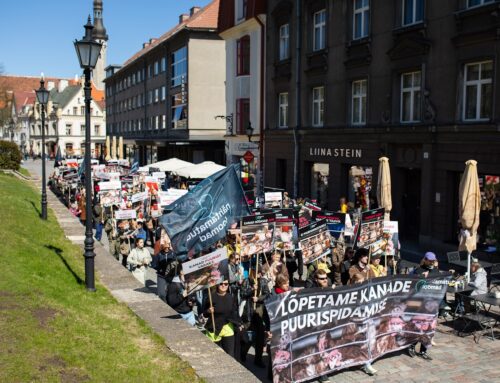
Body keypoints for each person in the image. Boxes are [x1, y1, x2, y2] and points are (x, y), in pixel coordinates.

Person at [408, 252, 439, 360]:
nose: (431, 262)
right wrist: (422, 278)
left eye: (433, 260)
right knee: (419, 328)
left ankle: (423, 350)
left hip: (432, 305)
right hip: (420, 305)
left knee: (428, 329)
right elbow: (413, 286)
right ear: (425, 260)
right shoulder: (418, 270)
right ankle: (411, 346)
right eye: (430, 260)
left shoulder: (435, 270)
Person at [203, 280, 243, 357]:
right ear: (217, 284)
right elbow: (204, 314)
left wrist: (239, 323)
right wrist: (208, 311)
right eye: (221, 283)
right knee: (215, 355)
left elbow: (234, 311)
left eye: (226, 284)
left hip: (227, 327)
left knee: (230, 355)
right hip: (214, 327)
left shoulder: (230, 297)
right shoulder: (211, 297)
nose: (223, 285)